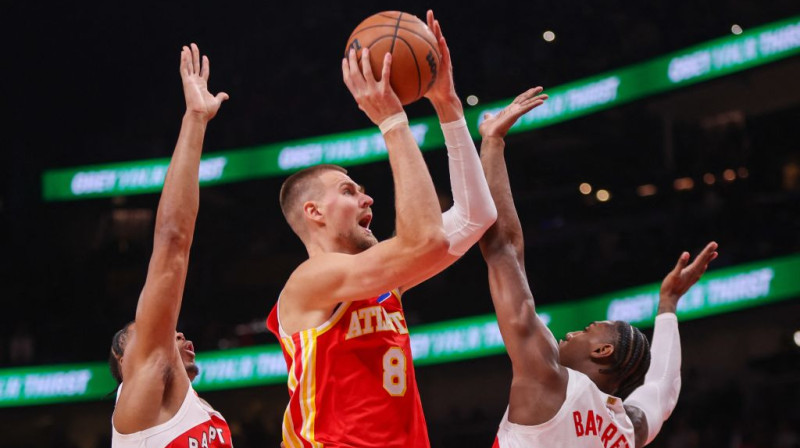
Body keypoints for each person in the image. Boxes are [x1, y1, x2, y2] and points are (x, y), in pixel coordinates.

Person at [266, 10, 497, 448]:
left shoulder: (383, 282)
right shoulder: (310, 282)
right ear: (314, 212)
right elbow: (425, 238)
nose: (367, 198)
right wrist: (392, 122)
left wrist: (447, 105)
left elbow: (475, 217)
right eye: (349, 190)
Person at [477, 88, 719, 448]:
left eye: (588, 329)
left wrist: (493, 143)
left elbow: (504, 249)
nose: (572, 333)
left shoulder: (548, 380)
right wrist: (667, 306)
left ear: (603, 351)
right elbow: (661, 392)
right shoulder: (624, 429)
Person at [109, 43, 231, 447]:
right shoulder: (144, 386)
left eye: (173, 331)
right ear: (126, 363)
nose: (176, 335)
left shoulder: (202, 411)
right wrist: (195, 120)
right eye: (150, 332)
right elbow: (172, 242)